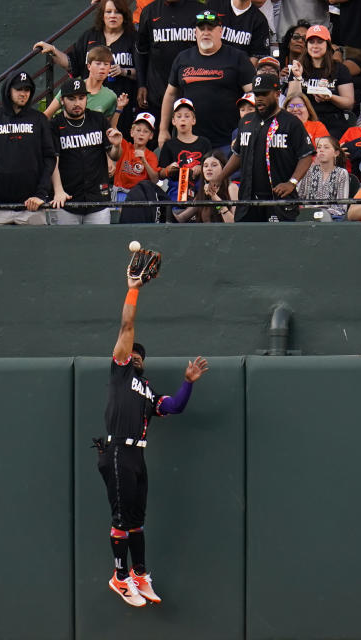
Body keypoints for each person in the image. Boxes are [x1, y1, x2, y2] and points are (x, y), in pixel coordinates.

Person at [100, 268, 209, 608]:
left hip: (137, 457)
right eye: (131, 352)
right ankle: (119, 577)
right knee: (121, 520)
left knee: (137, 522)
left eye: (139, 355)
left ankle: (139, 575)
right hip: (117, 449)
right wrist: (133, 290)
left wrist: (188, 381)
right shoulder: (120, 372)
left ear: (143, 362)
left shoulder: (147, 391)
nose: (134, 356)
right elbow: (127, 328)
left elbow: (174, 407)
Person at [220, 72, 316, 221]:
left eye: (264, 94)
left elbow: (306, 155)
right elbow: (239, 154)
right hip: (248, 199)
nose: (259, 98)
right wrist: (220, 178)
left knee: (278, 242)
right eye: (257, 94)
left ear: (277, 94)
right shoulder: (246, 121)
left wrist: (292, 183)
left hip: (278, 198)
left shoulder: (291, 122)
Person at [34, 0, 138, 134]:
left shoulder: (133, 38)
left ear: (124, 15)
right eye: (108, 12)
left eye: (118, 12)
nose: (113, 15)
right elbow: (73, 63)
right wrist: (53, 51)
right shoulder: (90, 35)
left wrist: (124, 71)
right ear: (102, 15)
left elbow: (144, 71)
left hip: (121, 100)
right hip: (89, 99)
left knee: (113, 136)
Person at [160, 10, 256, 151]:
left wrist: (246, 130)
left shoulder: (237, 57)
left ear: (220, 32)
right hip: (189, 141)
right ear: (195, 32)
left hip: (227, 141)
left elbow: (253, 95)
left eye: (210, 28)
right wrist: (163, 129)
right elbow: (170, 94)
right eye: (201, 28)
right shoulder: (183, 58)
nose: (206, 32)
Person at [0, 71, 57, 225]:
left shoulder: (39, 120)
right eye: (19, 89)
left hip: (32, 206)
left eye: (27, 90)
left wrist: (41, 194)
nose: (23, 94)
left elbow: (49, 158)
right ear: (8, 90)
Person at [50, 78, 122, 224]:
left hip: (98, 199)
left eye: (81, 98)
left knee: (98, 245)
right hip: (67, 200)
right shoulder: (55, 124)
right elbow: (52, 161)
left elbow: (114, 155)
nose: (77, 103)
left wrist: (116, 146)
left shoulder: (98, 119)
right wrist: (58, 191)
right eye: (71, 98)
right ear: (62, 100)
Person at [136, 0, 204, 131]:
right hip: (157, 91)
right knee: (157, 141)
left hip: (191, 90)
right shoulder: (150, 11)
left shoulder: (199, 11)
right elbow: (141, 52)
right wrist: (141, 84)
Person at [286, 25, 356, 138]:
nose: (315, 46)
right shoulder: (298, 67)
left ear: (327, 44)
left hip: (332, 122)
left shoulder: (339, 69)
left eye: (319, 42)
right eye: (311, 42)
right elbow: (291, 99)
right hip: (305, 121)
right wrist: (297, 77)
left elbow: (349, 103)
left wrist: (330, 96)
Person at [44, 45, 125, 125]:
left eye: (106, 64)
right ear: (89, 66)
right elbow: (46, 115)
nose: (102, 67)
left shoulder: (110, 97)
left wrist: (119, 109)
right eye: (98, 63)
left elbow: (106, 128)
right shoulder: (71, 87)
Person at [157, 98, 214, 200]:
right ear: (173, 121)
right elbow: (160, 174)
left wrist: (201, 168)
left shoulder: (204, 143)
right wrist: (168, 170)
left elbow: (213, 168)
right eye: (179, 116)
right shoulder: (169, 145)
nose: (183, 119)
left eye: (187, 116)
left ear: (194, 120)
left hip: (200, 187)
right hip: (177, 187)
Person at [173, 151, 242, 222]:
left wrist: (216, 200)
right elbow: (182, 217)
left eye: (214, 165)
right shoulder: (203, 191)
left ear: (224, 168)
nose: (209, 168)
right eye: (205, 166)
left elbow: (234, 223)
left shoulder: (231, 188)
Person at [297, 136, 353, 220]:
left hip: (332, 218)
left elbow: (342, 207)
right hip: (308, 217)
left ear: (336, 153)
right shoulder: (308, 171)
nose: (321, 150)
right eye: (319, 147)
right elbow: (298, 196)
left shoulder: (341, 173)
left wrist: (322, 213)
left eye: (326, 147)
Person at [112, 112, 161, 200]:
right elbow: (113, 129)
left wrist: (144, 161)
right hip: (120, 192)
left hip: (140, 195)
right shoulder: (125, 146)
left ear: (151, 136)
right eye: (138, 130)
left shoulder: (151, 156)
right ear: (132, 132)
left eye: (146, 131)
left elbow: (155, 180)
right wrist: (119, 110)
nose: (141, 134)